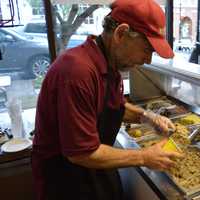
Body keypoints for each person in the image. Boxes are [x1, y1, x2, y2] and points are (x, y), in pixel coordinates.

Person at [32, 0, 182, 199]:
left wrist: (147, 117)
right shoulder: (77, 72)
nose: (148, 60)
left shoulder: (108, 65)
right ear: (120, 33)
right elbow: (80, 153)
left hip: (92, 169)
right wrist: (144, 157)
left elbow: (114, 107)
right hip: (66, 179)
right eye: (147, 50)